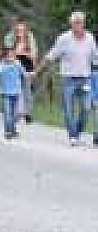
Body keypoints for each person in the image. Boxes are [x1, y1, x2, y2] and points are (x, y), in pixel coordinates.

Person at [35, 11, 98, 145]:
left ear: (83, 23)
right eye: (75, 23)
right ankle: (73, 136)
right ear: (71, 24)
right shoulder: (64, 38)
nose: (78, 25)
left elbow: (95, 58)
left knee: (86, 108)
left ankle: (77, 131)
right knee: (68, 109)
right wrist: (37, 72)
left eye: (80, 22)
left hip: (85, 79)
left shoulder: (90, 38)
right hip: (68, 79)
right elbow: (50, 56)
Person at [0, 39, 26, 139]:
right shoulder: (2, 64)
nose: (10, 56)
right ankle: (8, 131)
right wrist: (8, 64)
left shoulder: (17, 63)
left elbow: (23, 73)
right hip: (5, 92)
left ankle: (13, 129)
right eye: (8, 54)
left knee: (15, 113)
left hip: (16, 92)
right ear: (5, 55)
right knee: (7, 112)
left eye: (12, 54)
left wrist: (31, 74)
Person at [13, 18, 37, 123]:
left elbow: (33, 54)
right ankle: (19, 113)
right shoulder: (14, 39)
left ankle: (28, 113)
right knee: (18, 90)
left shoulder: (30, 38)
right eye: (18, 30)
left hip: (28, 66)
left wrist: (34, 69)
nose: (20, 32)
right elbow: (11, 54)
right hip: (17, 66)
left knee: (27, 90)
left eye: (22, 30)